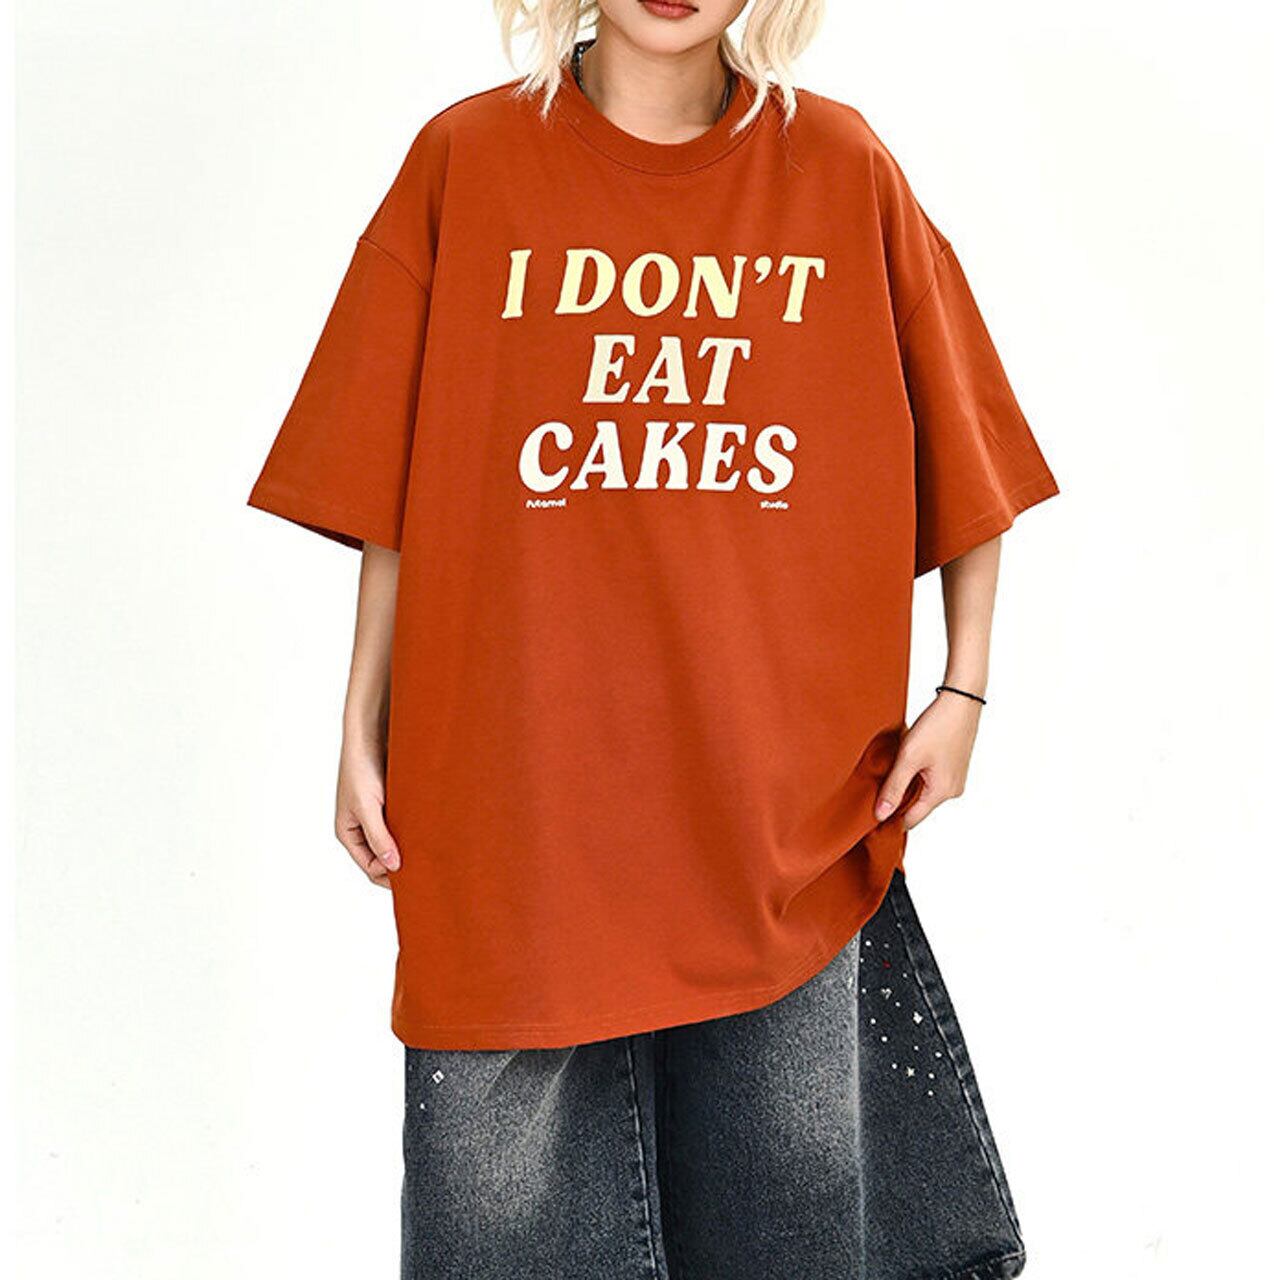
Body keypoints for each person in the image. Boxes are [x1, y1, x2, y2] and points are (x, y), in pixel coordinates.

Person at [247, 2, 1058, 1276]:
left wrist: (962, 689)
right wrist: (359, 722)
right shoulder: (466, 161)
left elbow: (966, 442)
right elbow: (396, 479)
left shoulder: (838, 168)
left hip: (773, 808)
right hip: (519, 798)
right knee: (496, 1212)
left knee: (782, 1225)